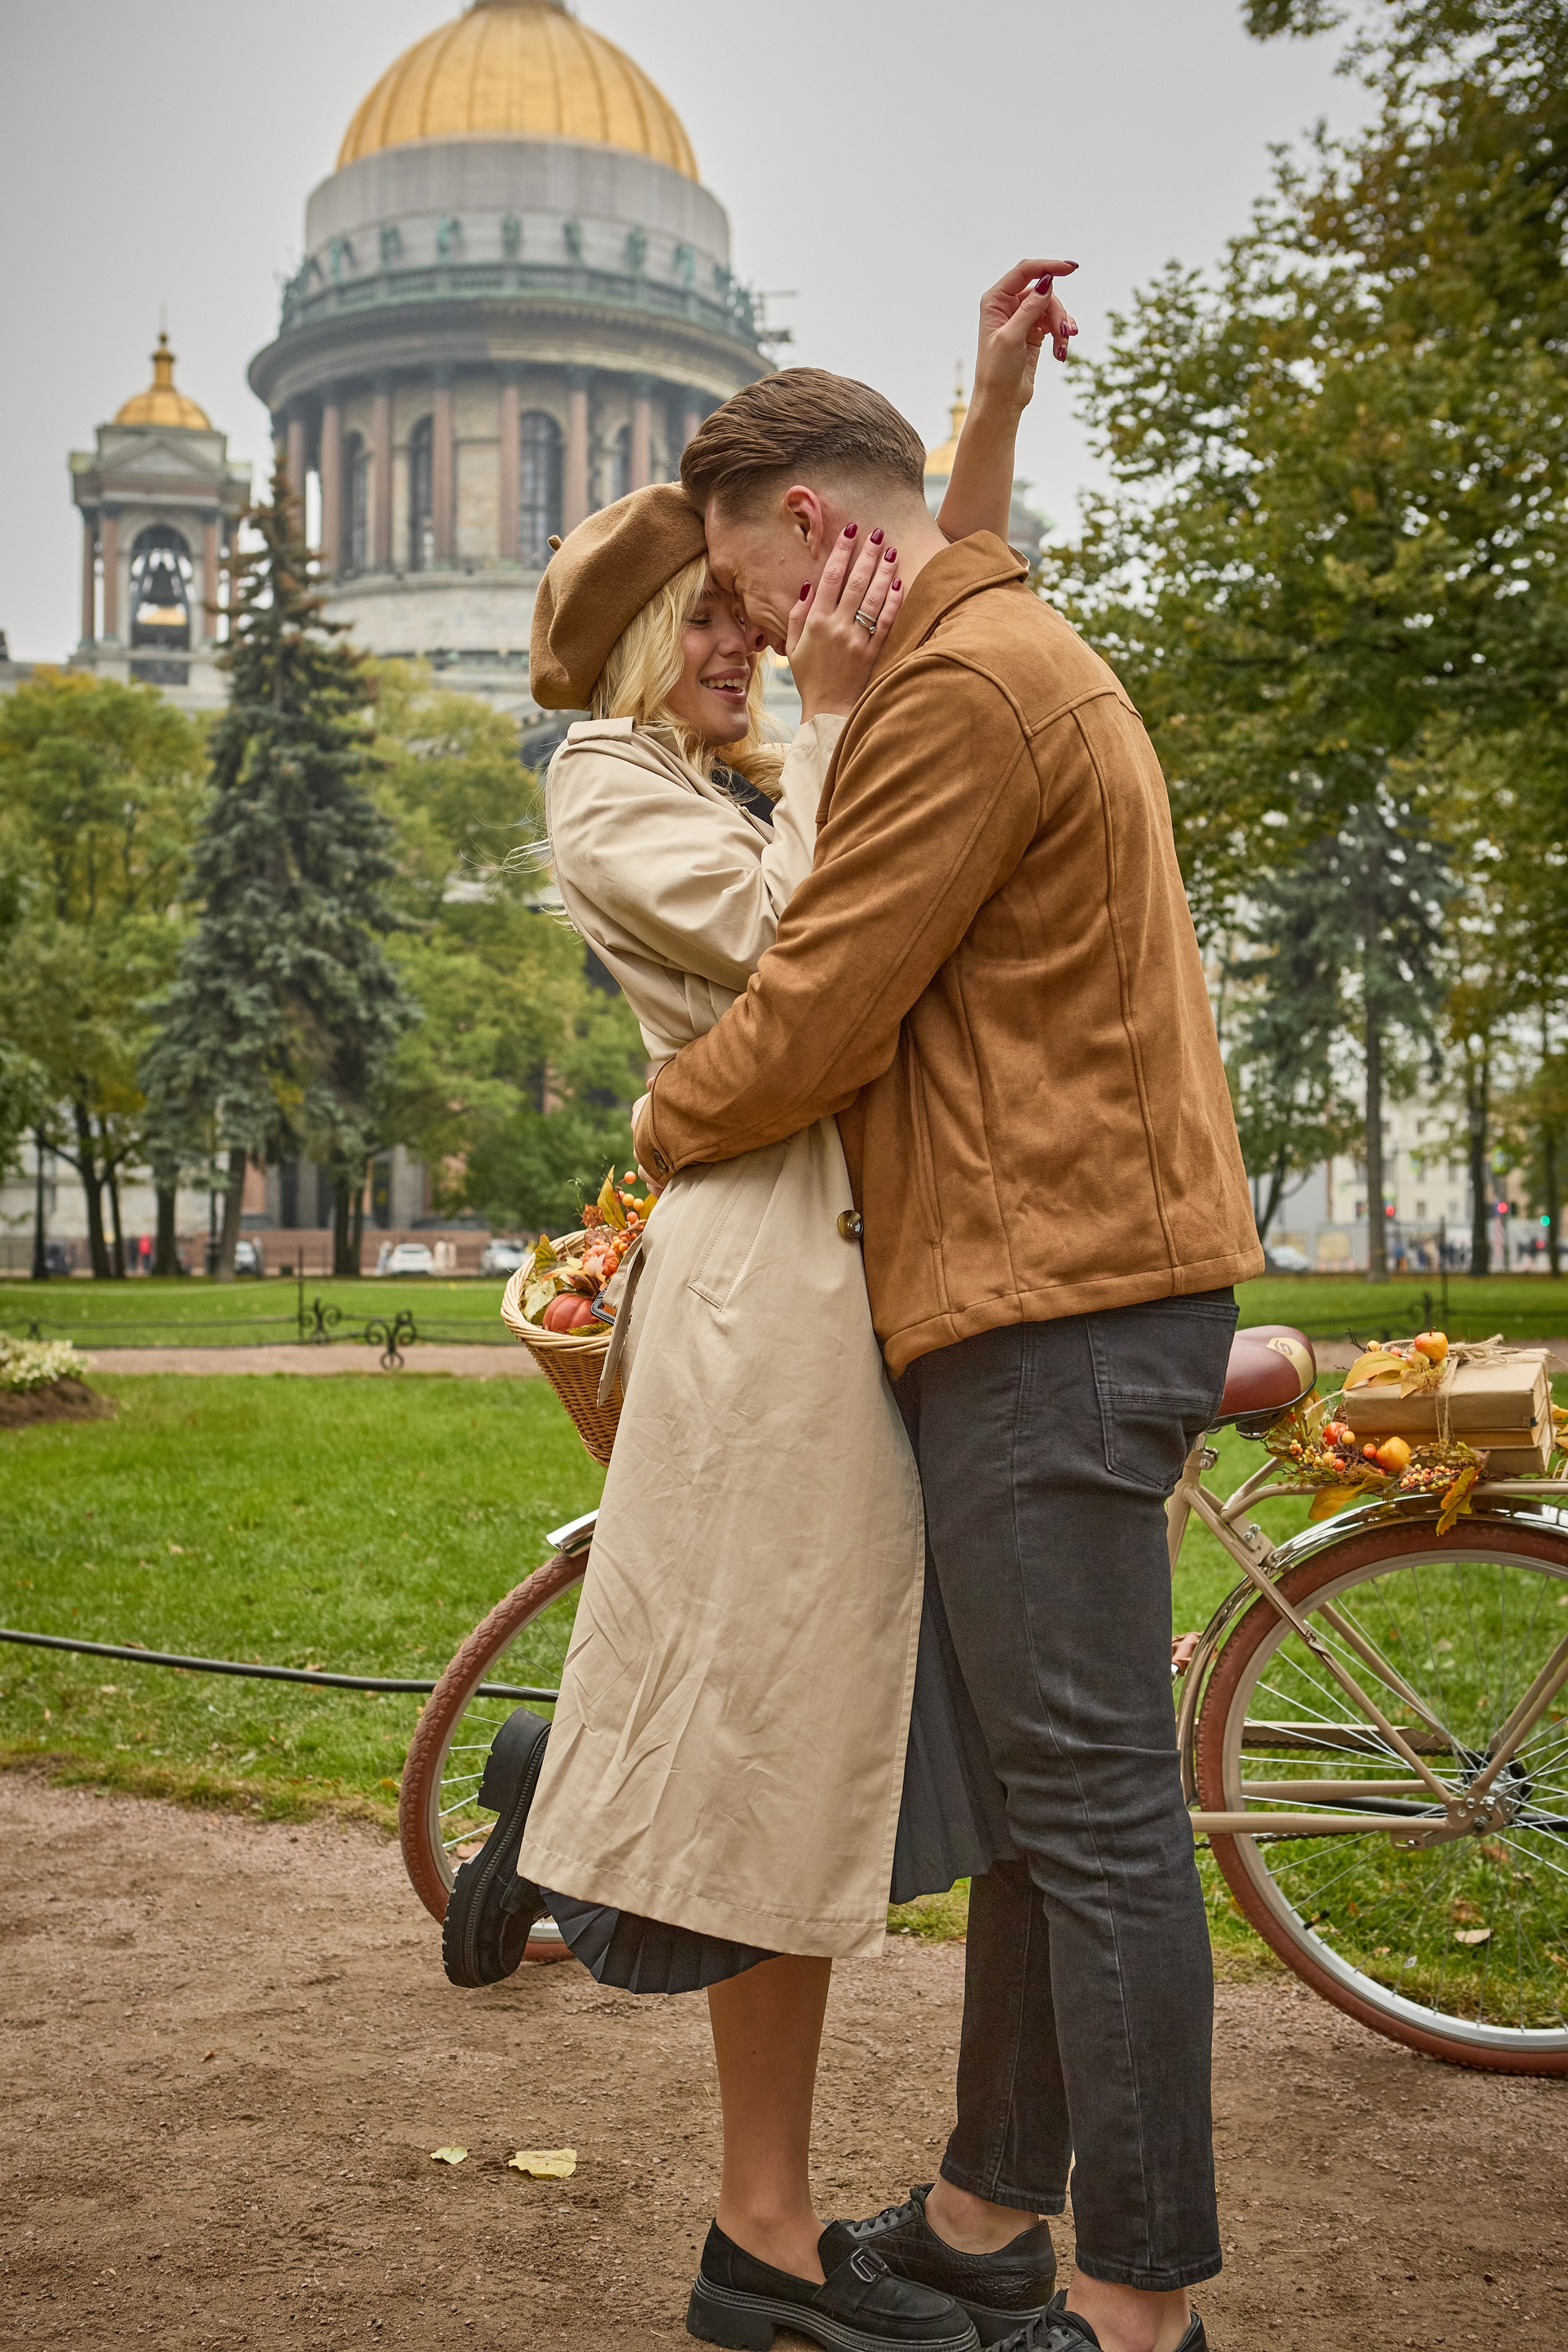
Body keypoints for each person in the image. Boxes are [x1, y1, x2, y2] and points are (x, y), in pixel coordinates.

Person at [443, 265, 1081, 2352]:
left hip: (868, 1279)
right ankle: (765, 2242)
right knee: (760, 1774)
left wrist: (981, 419)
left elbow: (914, 596)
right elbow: (833, 924)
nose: (750, 640)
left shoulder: (745, 761)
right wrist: (819, 707)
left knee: (837, 1762)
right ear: (641, 643)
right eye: (705, 621)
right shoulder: (611, 795)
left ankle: (834, 2219)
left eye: (756, 609)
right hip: (772, 1311)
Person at [630, 363, 1265, 2352]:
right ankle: (994, 2215)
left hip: (1047, 1306)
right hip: (1074, 1285)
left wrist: (656, 1125)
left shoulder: (951, 701)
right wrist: (987, 395)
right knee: (1038, 1806)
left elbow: (815, 1010)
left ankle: (1134, 2308)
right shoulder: (993, 634)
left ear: (825, 537)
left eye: (749, 580)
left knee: (1091, 1821)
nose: (745, 629)